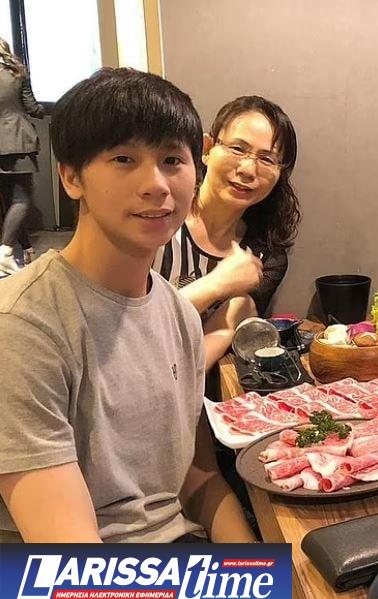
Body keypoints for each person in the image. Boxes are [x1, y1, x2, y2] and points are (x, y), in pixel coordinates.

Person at [0, 68, 255, 544]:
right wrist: (250, 584)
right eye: (123, 159)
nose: (156, 184)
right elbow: (74, 566)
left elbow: (198, 480)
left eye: (171, 160)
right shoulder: (22, 327)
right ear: (71, 177)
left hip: (180, 550)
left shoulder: (178, 314)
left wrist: (263, 577)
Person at [154, 95, 301, 375]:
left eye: (266, 159)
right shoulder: (158, 219)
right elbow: (126, 329)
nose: (247, 170)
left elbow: (220, 340)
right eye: (237, 149)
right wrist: (217, 284)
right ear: (207, 149)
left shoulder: (265, 255)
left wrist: (233, 314)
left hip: (195, 390)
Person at [0, 38, 44, 275]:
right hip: (17, 140)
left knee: (11, 202)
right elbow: (31, 106)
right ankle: (5, 253)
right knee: (22, 200)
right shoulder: (16, 73)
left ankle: (26, 248)